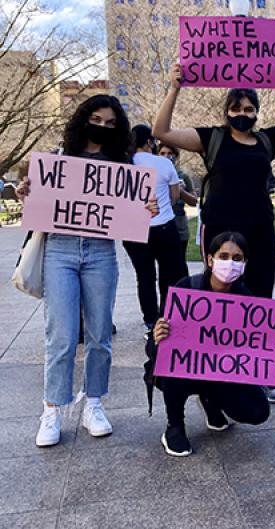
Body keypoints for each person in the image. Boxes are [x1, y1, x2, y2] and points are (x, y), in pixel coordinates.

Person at [153, 65, 275, 404]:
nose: (243, 114)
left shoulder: (267, 139)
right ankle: (216, 369)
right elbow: (161, 131)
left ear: (256, 113)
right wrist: (173, 88)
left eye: (249, 109)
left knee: (261, 299)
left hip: (259, 231)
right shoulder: (211, 138)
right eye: (236, 108)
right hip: (221, 233)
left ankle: (262, 372)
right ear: (226, 111)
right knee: (219, 299)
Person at [15, 95, 158, 447]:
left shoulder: (122, 166)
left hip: (101, 253)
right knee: (61, 336)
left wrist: (146, 209)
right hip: (59, 252)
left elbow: (131, 213)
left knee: (100, 335)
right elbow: (39, 200)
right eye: (96, 119)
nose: (102, 127)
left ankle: (93, 402)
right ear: (83, 119)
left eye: (110, 123)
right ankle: (52, 409)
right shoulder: (59, 158)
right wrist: (26, 194)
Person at [152, 231, 275, 456]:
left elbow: (257, 351)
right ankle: (175, 426)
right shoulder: (186, 289)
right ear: (210, 259)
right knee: (171, 359)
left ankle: (210, 399)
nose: (230, 263)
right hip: (185, 371)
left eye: (237, 258)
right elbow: (161, 345)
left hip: (219, 370)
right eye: (224, 256)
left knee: (258, 411)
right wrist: (158, 335)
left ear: (244, 264)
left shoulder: (247, 301)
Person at [123, 125, 188, 333]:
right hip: (164, 226)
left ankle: (150, 319)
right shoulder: (163, 163)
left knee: (145, 277)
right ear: (150, 142)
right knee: (169, 275)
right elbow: (174, 196)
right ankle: (166, 315)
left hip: (134, 229)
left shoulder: (124, 163)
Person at [158, 143, 198, 258]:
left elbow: (194, 202)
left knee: (180, 262)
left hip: (179, 226)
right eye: (162, 153)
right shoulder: (153, 175)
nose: (166, 156)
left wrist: (180, 191)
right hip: (160, 226)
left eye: (170, 153)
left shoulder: (183, 176)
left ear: (176, 156)